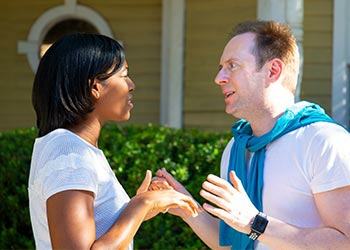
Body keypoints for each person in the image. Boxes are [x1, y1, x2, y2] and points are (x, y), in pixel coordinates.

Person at [151, 20, 350, 249]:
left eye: (233, 66)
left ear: (273, 71)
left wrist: (253, 223)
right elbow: (233, 243)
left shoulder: (324, 142)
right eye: (220, 68)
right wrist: (188, 208)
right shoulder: (237, 148)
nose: (219, 78)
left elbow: (345, 241)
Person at [28, 33, 200, 250]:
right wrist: (141, 204)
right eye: (124, 75)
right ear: (94, 88)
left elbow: (98, 236)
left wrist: (136, 211)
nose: (131, 85)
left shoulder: (75, 148)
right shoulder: (69, 154)